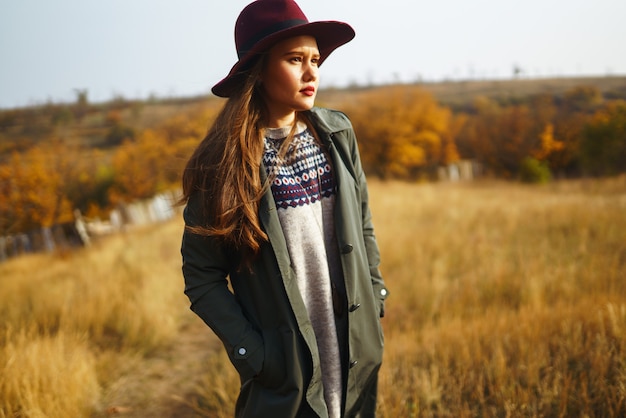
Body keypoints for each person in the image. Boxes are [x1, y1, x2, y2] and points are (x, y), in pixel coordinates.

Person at [180, 1, 388, 417]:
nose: (312, 72)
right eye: (295, 60)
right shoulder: (224, 164)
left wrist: (375, 293)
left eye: (315, 59)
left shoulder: (338, 134)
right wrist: (254, 354)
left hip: (355, 356)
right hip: (286, 377)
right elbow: (201, 275)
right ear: (259, 69)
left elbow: (363, 223)